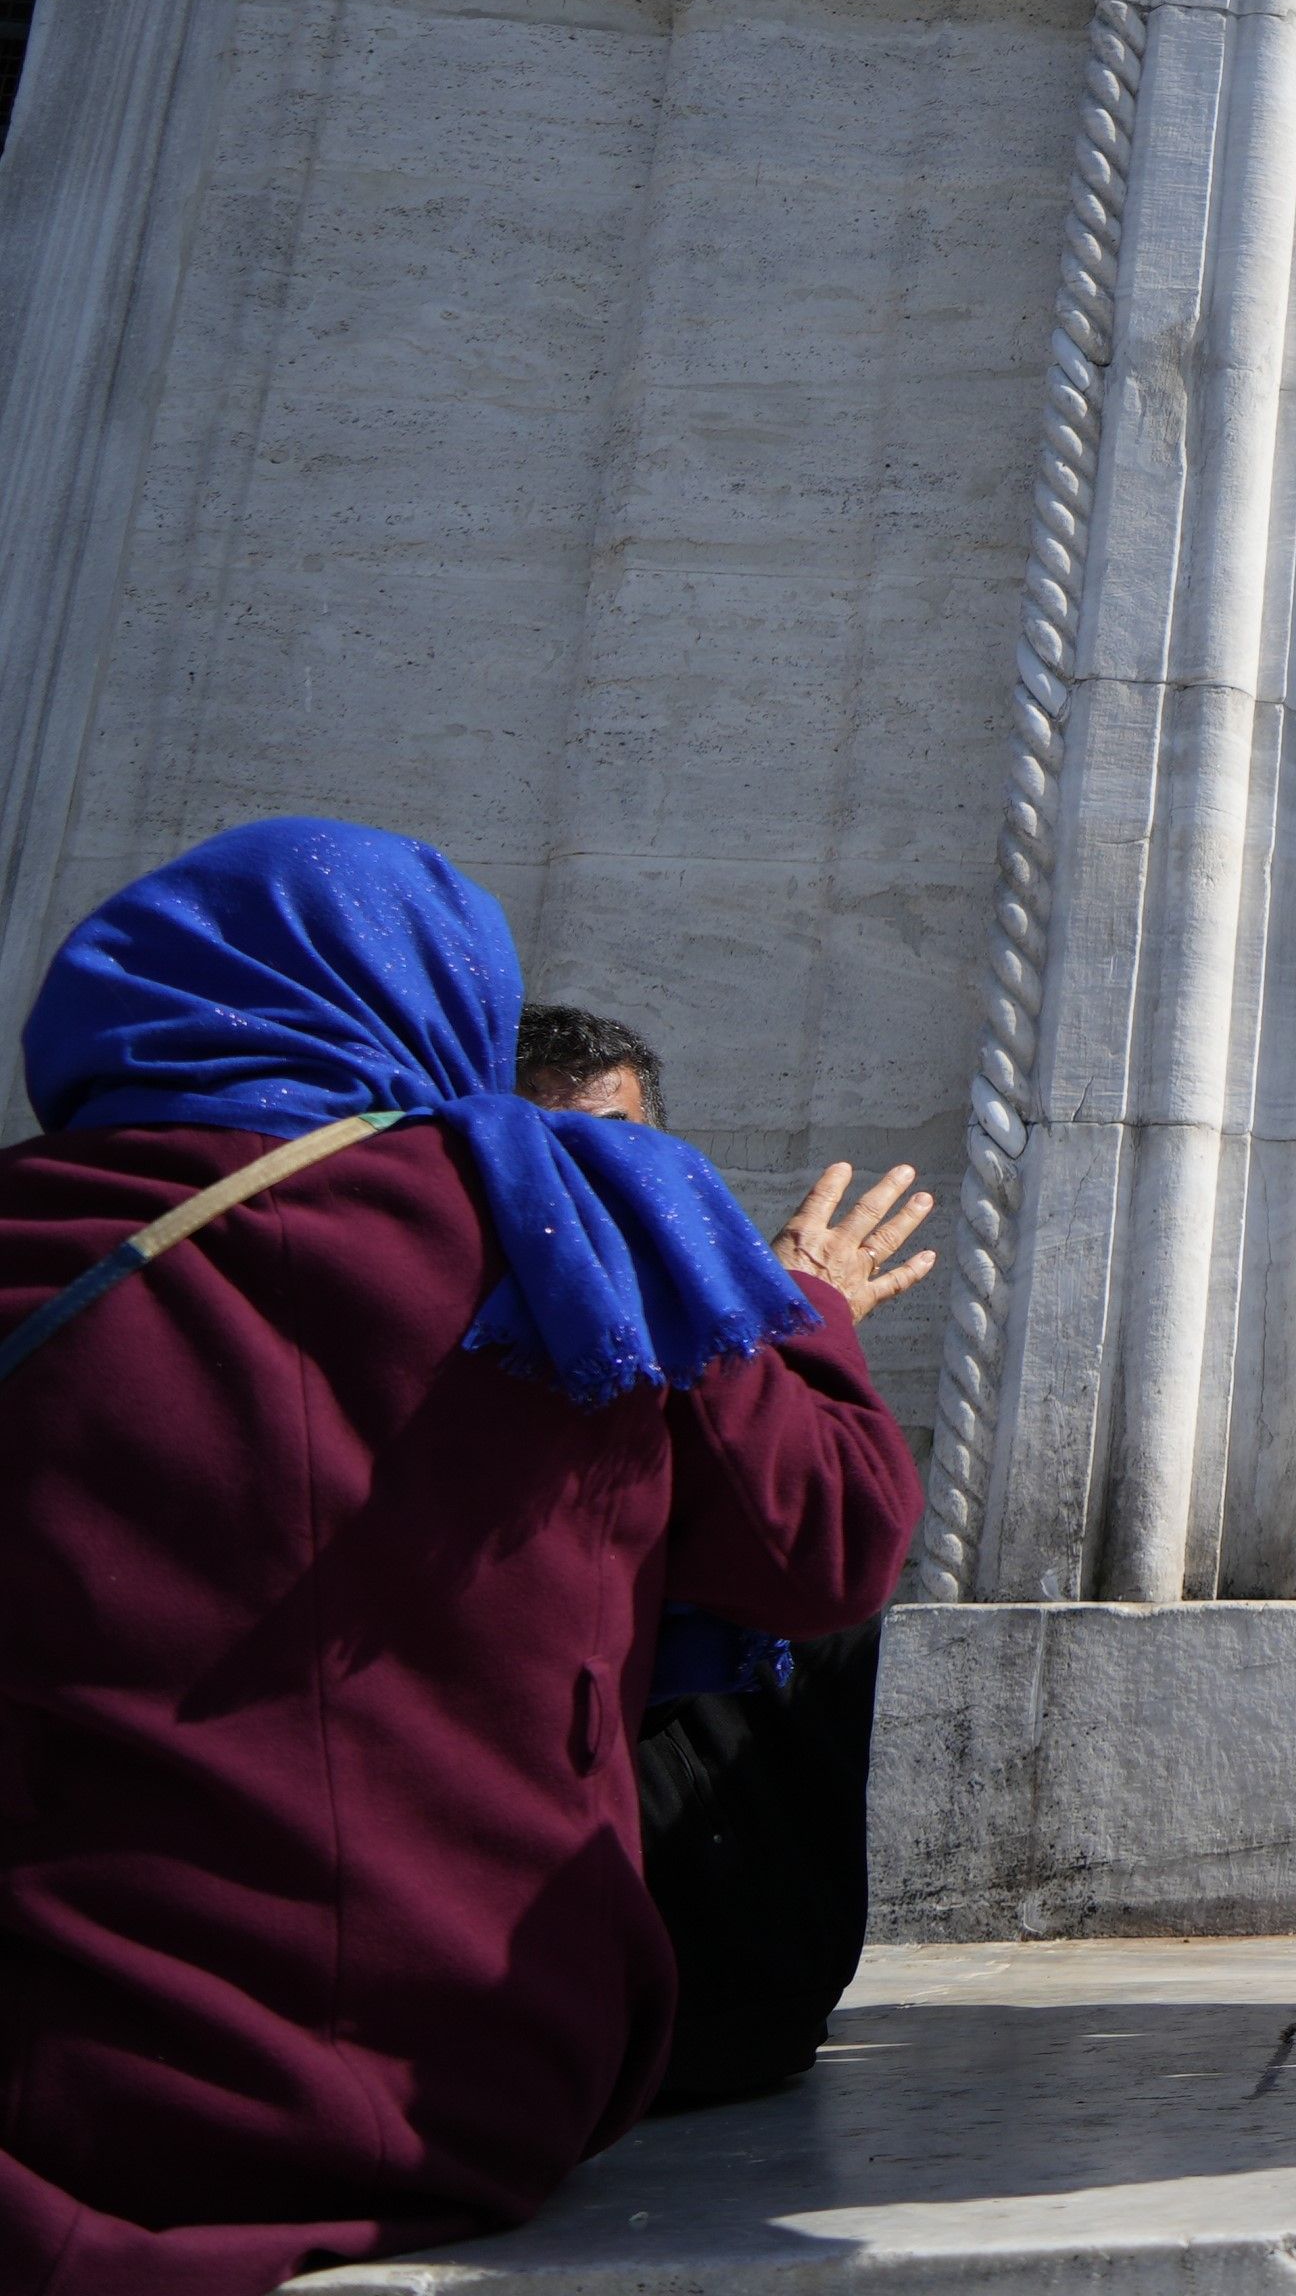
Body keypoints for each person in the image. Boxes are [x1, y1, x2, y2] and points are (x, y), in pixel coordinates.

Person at [0, 820, 921, 2294]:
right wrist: (807, 1311)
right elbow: (829, 1541)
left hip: (53, 2093)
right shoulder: (571, 1223)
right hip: (468, 2085)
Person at [513, 1003, 941, 2105]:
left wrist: (764, 1325)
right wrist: (801, 1321)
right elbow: (826, 1533)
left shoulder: (674, 1312)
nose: (589, 1180)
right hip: (602, 1999)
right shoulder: (461, 1312)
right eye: (553, 1145)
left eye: (618, 1146)